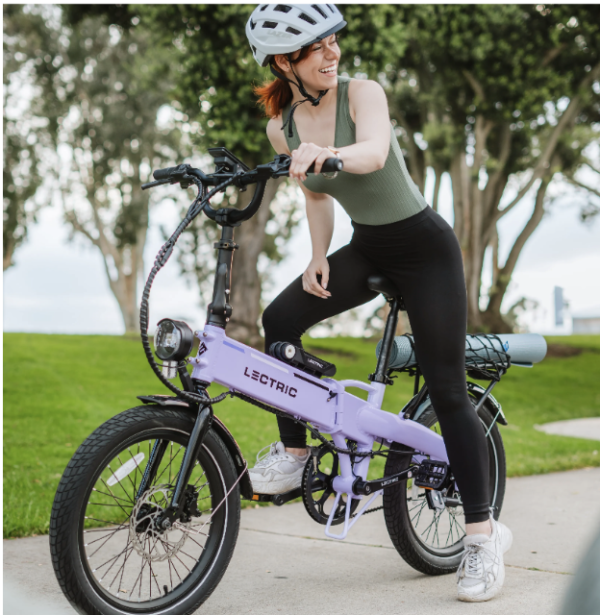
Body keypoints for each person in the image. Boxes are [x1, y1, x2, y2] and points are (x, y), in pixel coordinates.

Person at [245, 3, 512, 602]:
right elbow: (316, 195)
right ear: (285, 63)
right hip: (368, 248)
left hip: (425, 248)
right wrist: (318, 253)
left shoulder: (363, 91)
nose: (332, 53)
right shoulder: (282, 128)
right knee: (280, 320)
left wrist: (328, 156)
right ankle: (293, 450)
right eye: (317, 48)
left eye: (333, 40)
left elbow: (370, 152)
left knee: (446, 388)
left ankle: (482, 538)